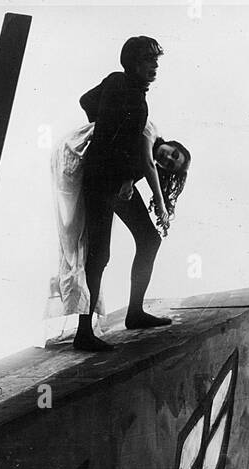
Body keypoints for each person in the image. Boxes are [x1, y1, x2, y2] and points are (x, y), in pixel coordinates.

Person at [65, 35, 190, 351]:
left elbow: (86, 101)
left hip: (116, 178)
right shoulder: (128, 93)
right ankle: (83, 333)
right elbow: (109, 135)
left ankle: (134, 313)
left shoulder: (122, 87)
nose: (155, 67)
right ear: (135, 62)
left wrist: (124, 176)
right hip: (102, 179)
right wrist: (123, 176)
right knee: (100, 253)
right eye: (150, 61)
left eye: (156, 62)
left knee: (149, 239)